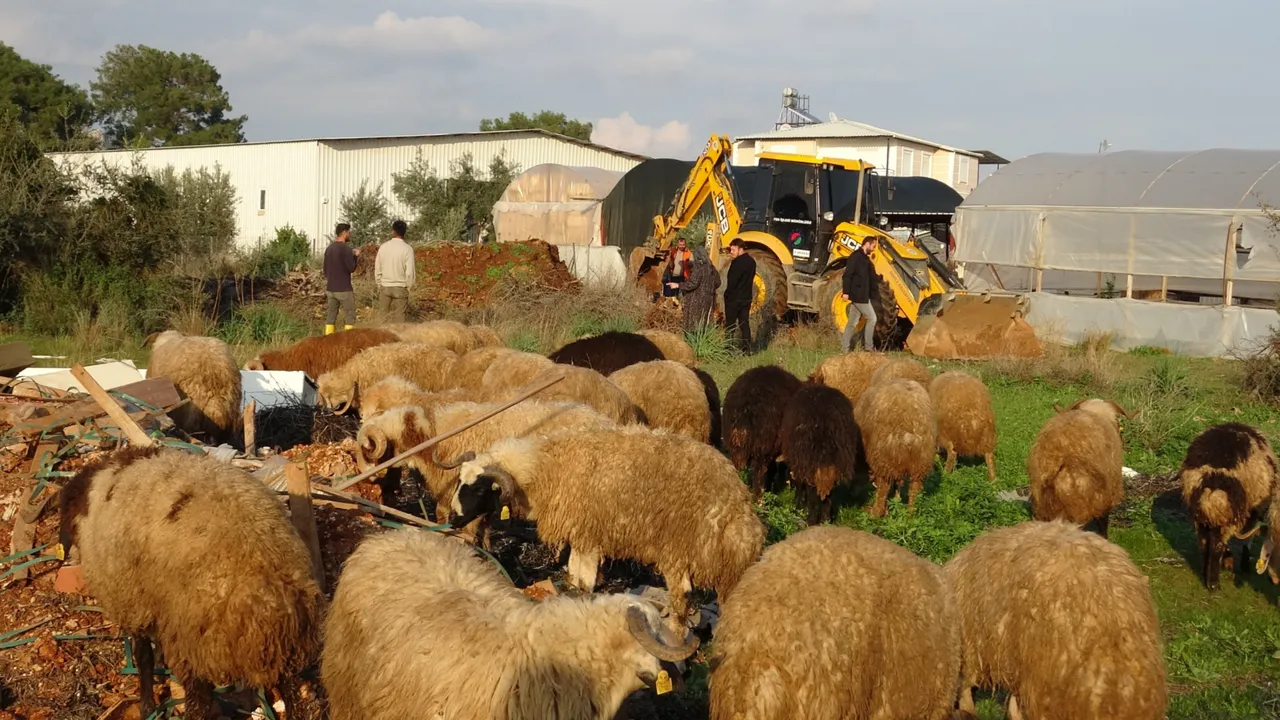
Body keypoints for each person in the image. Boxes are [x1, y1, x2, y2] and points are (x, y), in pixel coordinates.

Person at [667, 245, 720, 332]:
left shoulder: (699, 268)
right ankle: (702, 342)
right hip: (709, 300)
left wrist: (678, 285)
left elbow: (693, 283)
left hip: (696, 301)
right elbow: (718, 283)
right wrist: (708, 288)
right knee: (704, 324)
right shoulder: (712, 268)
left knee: (693, 326)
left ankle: (692, 343)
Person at [841, 236, 878, 352]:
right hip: (858, 295)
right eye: (873, 246)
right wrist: (845, 292)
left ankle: (845, 348)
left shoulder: (865, 259)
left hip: (863, 295)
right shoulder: (855, 257)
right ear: (867, 244)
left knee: (851, 323)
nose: (873, 249)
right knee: (872, 318)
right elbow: (847, 275)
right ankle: (868, 348)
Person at [322, 223, 360, 334]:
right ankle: (349, 342)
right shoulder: (346, 249)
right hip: (344, 289)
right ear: (344, 233)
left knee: (331, 316)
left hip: (330, 289)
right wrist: (355, 256)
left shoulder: (329, 249)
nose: (350, 234)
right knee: (350, 316)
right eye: (349, 232)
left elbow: (325, 270)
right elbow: (351, 268)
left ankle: (328, 341)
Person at [375, 220, 415, 323]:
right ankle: (398, 338)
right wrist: (408, 287)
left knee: (382, 318)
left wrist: (379, 283)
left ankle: (381, 338)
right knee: (400, 319)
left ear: (393, 231)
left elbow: (378, 267)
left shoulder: (383, 247)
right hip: (400, 287)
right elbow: (410, 272)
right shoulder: (408, 249)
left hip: (385, 286)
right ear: (404, 232)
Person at [722, 238, 756, 352]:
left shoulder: (737, 263)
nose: (731, 252)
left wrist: (727, 294)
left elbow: (733, 281)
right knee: (744, 324)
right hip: (746, 298)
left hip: (734, 299)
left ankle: (728, 348)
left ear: (740, 249)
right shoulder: (752, 262)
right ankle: (747, 349)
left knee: (730, 325)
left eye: (733, 250)